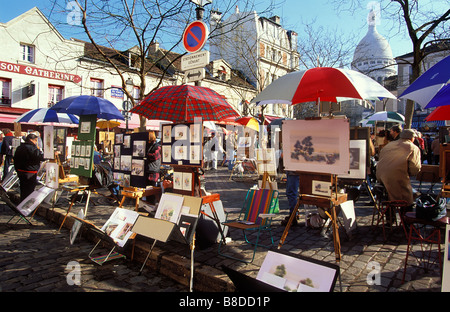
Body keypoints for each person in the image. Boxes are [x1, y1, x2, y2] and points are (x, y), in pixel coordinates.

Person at [376, 129, 422, 210]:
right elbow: (415, 167)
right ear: (412, 138)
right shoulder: (412, 147)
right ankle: (405, 219)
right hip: (396, 177)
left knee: (390, 196)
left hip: (380, 176)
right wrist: (409, 173)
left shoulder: (389, 145)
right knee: (407, 199)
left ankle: (389, 218)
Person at [13, 133, 44, 202]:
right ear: (31, 140)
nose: (36, 142)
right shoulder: (33, 148)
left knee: (23, 189)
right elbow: (40, 157)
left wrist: (17, 170)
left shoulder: (20, 147)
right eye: (35, 140)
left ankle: (22, 204)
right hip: (30, 171)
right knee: (29, 190)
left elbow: (15, 159)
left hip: (21, 171)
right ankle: (25, 207)